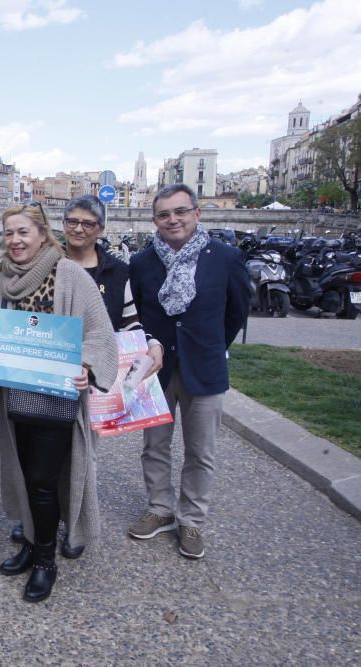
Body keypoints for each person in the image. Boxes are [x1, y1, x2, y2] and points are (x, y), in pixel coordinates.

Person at [5, 195, 167, 558]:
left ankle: (73, 524)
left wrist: (149, 344)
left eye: (88, 224)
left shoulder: (116, 271)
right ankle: (38, 524)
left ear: (100, 229)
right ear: (60, 224)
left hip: (93, 375)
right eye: (72, 221)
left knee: (81, 458)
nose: (78, 229)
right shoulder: (41, 264)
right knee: (40, 462)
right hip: (48, 380)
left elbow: (128, 323)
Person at [0, 201, 117, 603]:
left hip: (56, 398)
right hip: (16, 396)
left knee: (44, 482)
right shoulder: (0, 277)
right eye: (9, 233)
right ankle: (31, 541)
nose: (15, 240)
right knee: (25, 477)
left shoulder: (71, 275)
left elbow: (100, 334)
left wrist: (87, 365)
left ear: (43, 234)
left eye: (23, 232)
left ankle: (46, 560)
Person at [127, 184, 251, 559]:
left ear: (197, 214)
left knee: (201, 451)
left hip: (205, 367)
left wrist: (212, 346)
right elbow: (138, 316)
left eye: (180, 211)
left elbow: (236, 313)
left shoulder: (226, 258)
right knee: (155, 446)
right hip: (156, 369)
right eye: (164, 214)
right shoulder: (142, 262)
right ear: (155, 220)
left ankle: (192, 519)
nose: (173, 219)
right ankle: (160, 509)